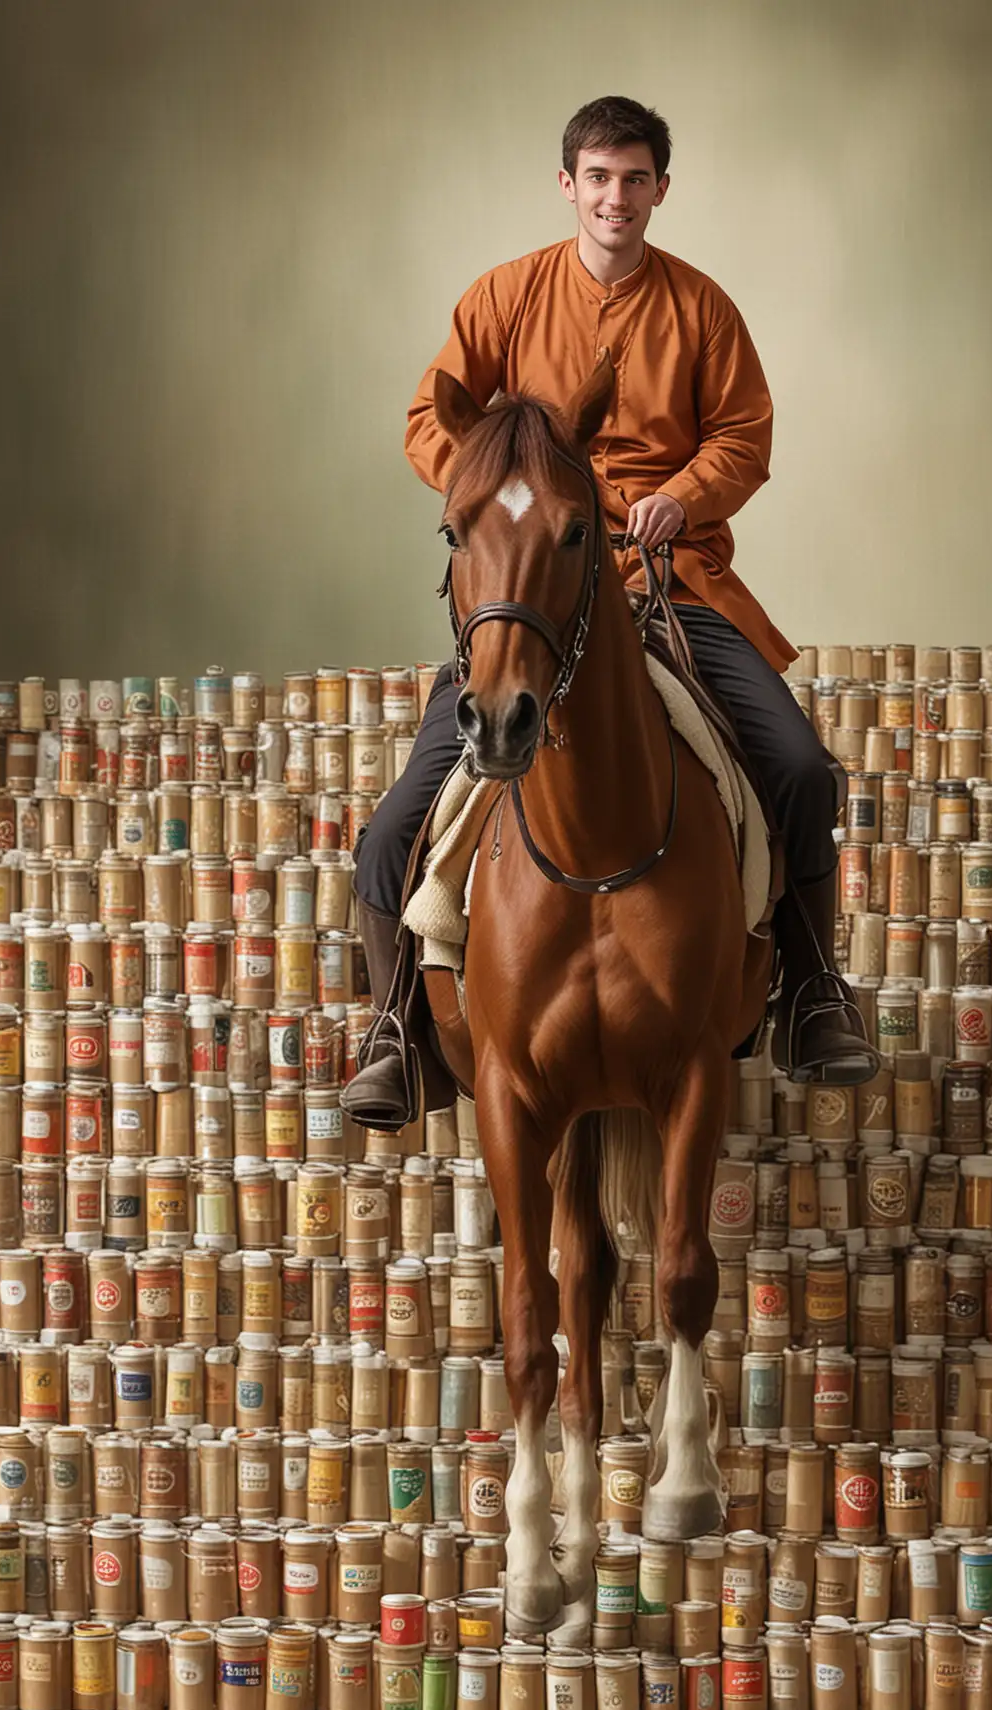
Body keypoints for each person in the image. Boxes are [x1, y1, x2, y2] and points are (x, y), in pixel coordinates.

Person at [344, 94, 875, 1129]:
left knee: (803, 768)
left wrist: (689, 493)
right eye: (597, 177)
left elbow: (743, 437)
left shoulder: (705, 309)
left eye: (635, 179)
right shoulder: (502, 297)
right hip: (536, 593)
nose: (615, 197)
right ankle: (398, 1027)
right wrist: (512, 496)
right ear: (567, 185)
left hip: (671, 583)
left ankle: (814, 992)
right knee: (392, 825)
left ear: (660, 191)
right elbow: (430, 418)